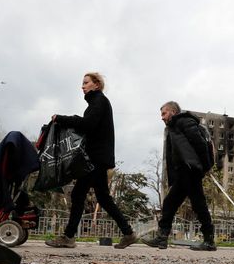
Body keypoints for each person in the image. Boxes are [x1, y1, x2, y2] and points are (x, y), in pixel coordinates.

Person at [44, 72, 137, 249]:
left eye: (86, 83)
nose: (83, 86)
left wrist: (63, 119)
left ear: (96, 85)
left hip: (95, 158)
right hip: (98, 157)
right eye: (83, 83)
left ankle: (69, 237)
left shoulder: (99, 101)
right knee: (103, 197)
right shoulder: (97, 102)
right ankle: (128, 233)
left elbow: (88, 124)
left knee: (79, 194)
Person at [142, 101, 216, 251]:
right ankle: (162, 238)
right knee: (170, 203)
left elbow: (200, 144)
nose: (162, 118)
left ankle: (209, 240)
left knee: (198, 204)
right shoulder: (172, 128)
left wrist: (204, 167)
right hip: (183, 172)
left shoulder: (184, 121)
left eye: (164, 113)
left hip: (190, 170)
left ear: (173, 112)